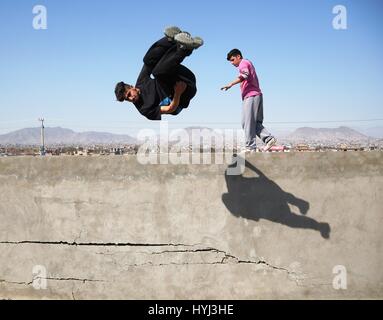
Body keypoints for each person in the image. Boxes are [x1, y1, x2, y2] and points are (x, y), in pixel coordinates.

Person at [115, 27, 203, 120]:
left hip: (184, 77)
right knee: (157, 72)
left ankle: (173, 40)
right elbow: (170, 109)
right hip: (184, 92)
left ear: (132, 87)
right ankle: (185, 48)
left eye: (129, 94)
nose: (131, 99)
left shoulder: (141, 82)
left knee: (148, 61)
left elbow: (149, 63)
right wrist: (178, 93)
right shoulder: (144, 109)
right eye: (127, 99)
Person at [221, 49, 276, 152]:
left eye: (233, 60)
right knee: (251, 123)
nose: (232, 63)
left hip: (251, 96)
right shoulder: (246, 63)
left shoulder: (243, 63)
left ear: (238, 56)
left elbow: (244, 75)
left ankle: (250, 147)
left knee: (247, 123)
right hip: (255, 96)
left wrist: (231, 84)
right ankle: (269, 139)